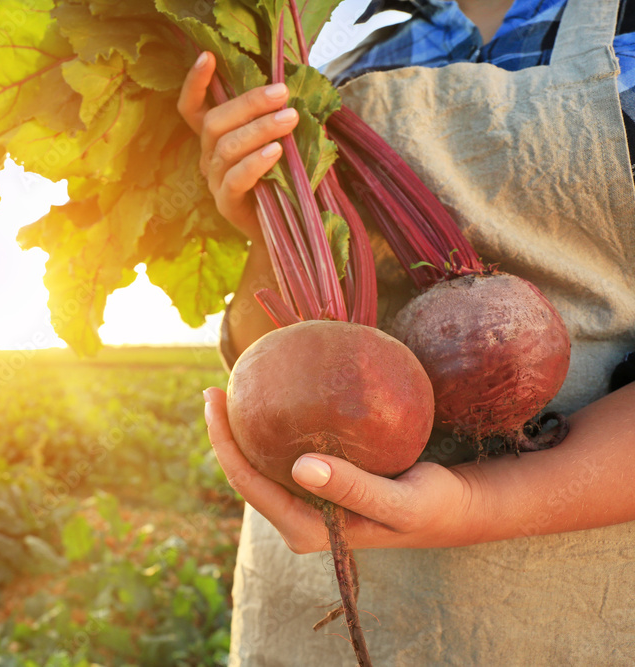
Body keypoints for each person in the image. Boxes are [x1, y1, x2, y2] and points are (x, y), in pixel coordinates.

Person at [178, 0, 635, 663]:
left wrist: (476, 501)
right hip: (308, 613)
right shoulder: (337, 69)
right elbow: (265, 351)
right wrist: (261, 220)